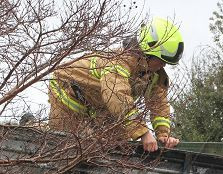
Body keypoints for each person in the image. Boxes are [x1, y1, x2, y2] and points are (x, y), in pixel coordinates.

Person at [48, 17, 184, 153]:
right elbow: (116, 96)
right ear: (147, 53)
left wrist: (163, 136)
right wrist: (143, 133)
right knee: (64, 146)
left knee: (118, 146)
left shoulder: (155, 74)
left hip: (99, 105)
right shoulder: (119, 62)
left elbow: (159, 104)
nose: (164, 65)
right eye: (161, 60)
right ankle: (32, 126)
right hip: (68, 91)